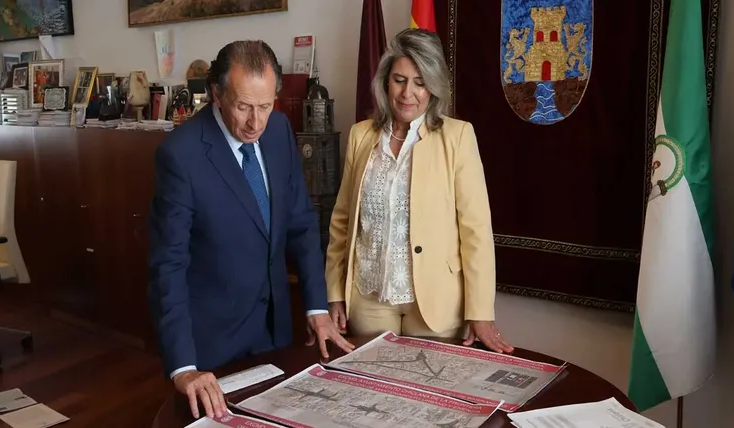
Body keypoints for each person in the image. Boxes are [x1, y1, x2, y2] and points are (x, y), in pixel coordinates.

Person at [148, 40, 354, 420]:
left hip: (275, 332)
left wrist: (316, 307)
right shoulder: (180, 154)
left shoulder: (278, 130)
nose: (255, 123)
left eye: (265, 106)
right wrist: (183, 366)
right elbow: (168, 266)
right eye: (243, 106)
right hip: (213, 345)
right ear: (217, 94)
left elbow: (301, 223)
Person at [325, 28, 514, 354]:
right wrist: (334, 292)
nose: (407, 93)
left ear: (433, 87)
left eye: (420, 82)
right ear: (385, 81)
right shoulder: (360, 136)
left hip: (436, 303)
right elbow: (342, 222)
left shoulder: (458, 137)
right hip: (368, 298)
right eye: (399, 80)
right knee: (371, 383)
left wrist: (480, 312)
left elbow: (476, 230)